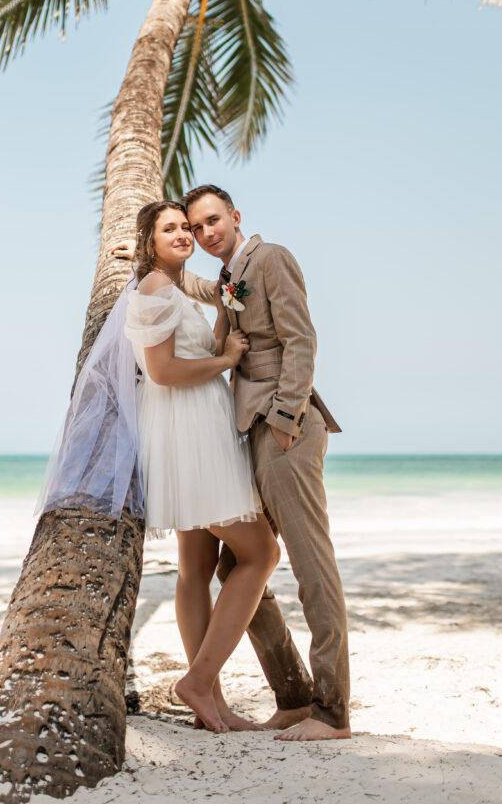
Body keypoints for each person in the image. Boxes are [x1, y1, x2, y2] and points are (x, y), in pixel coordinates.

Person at [178, 185, 351, 742]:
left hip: (286, 431)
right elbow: (205, 287)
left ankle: (332, 711)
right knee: (237, 569)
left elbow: (302, 338)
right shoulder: (231, 275)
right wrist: (145, 260)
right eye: (197, 227)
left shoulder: (270, 257)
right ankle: (295, 697)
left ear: (235, 216)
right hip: (249, 432)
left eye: (212, 221)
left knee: (310, 565)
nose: (206, 233)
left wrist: (284, 415)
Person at [123, 199, 281, 733]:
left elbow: (206, 305)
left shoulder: (174, 286)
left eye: (186, 227)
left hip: (194, 428)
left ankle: (209, 699)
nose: (185, 234)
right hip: (192, 433)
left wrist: (219, 335)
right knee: (261, 553)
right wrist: (227, 360)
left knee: (195, 569)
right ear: (152, 240)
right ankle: (199, 679)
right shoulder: (154, 289)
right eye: (170, 229)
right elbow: (163, 371)